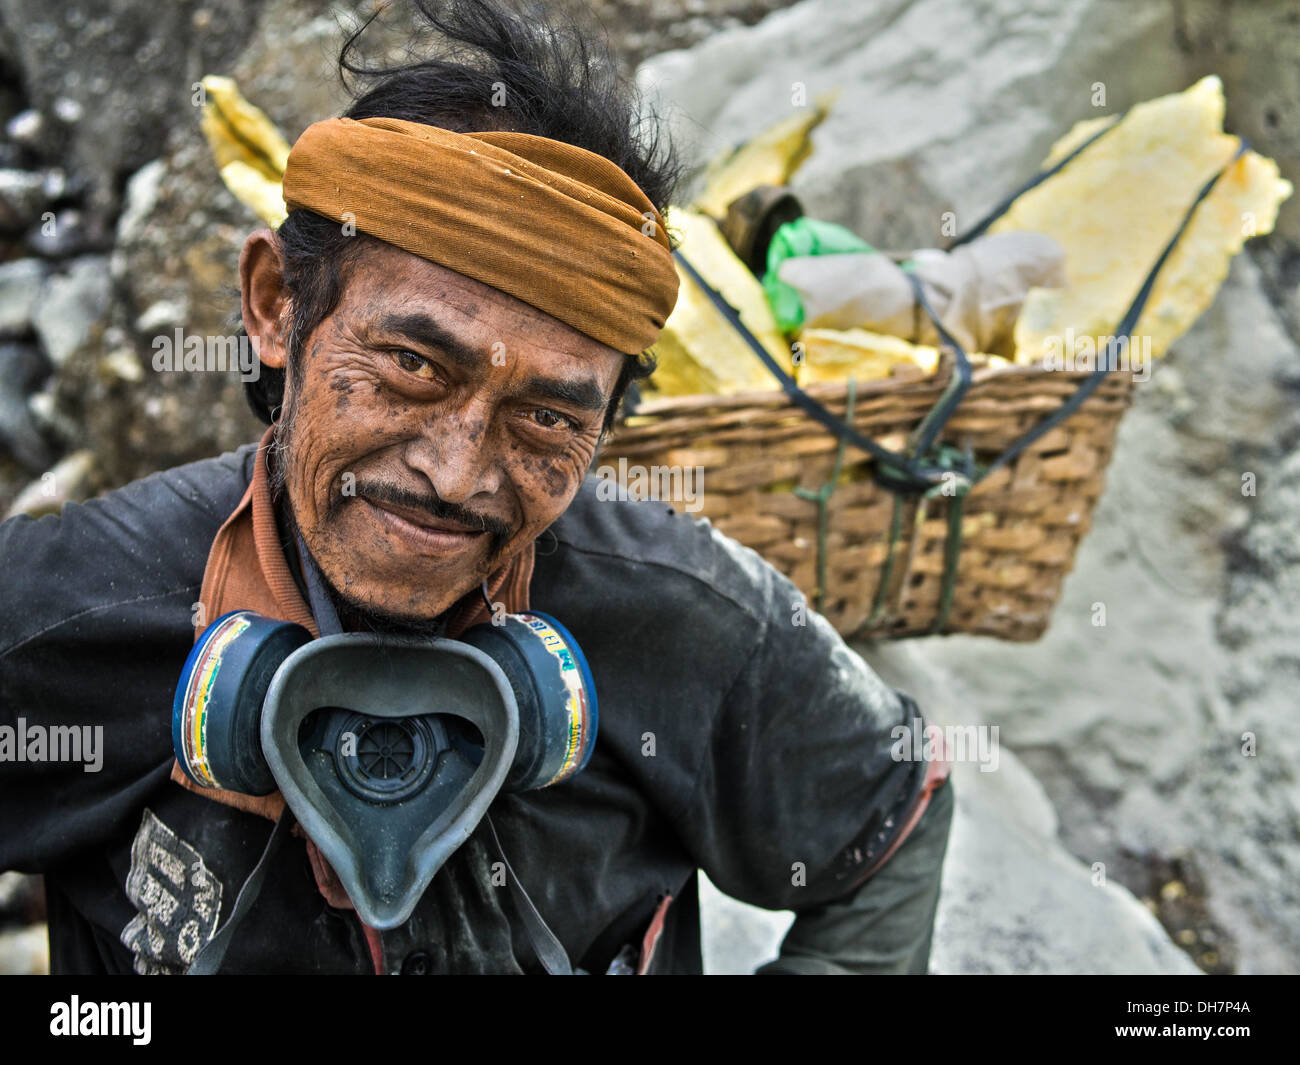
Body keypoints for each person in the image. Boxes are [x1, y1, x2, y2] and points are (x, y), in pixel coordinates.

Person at [0, 0, 953, 975]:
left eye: (546, 418)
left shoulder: (688, 618)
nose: (455, 475)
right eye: (413, 365)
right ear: (277, 305)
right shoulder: (63, 608)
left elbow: (892, 816)